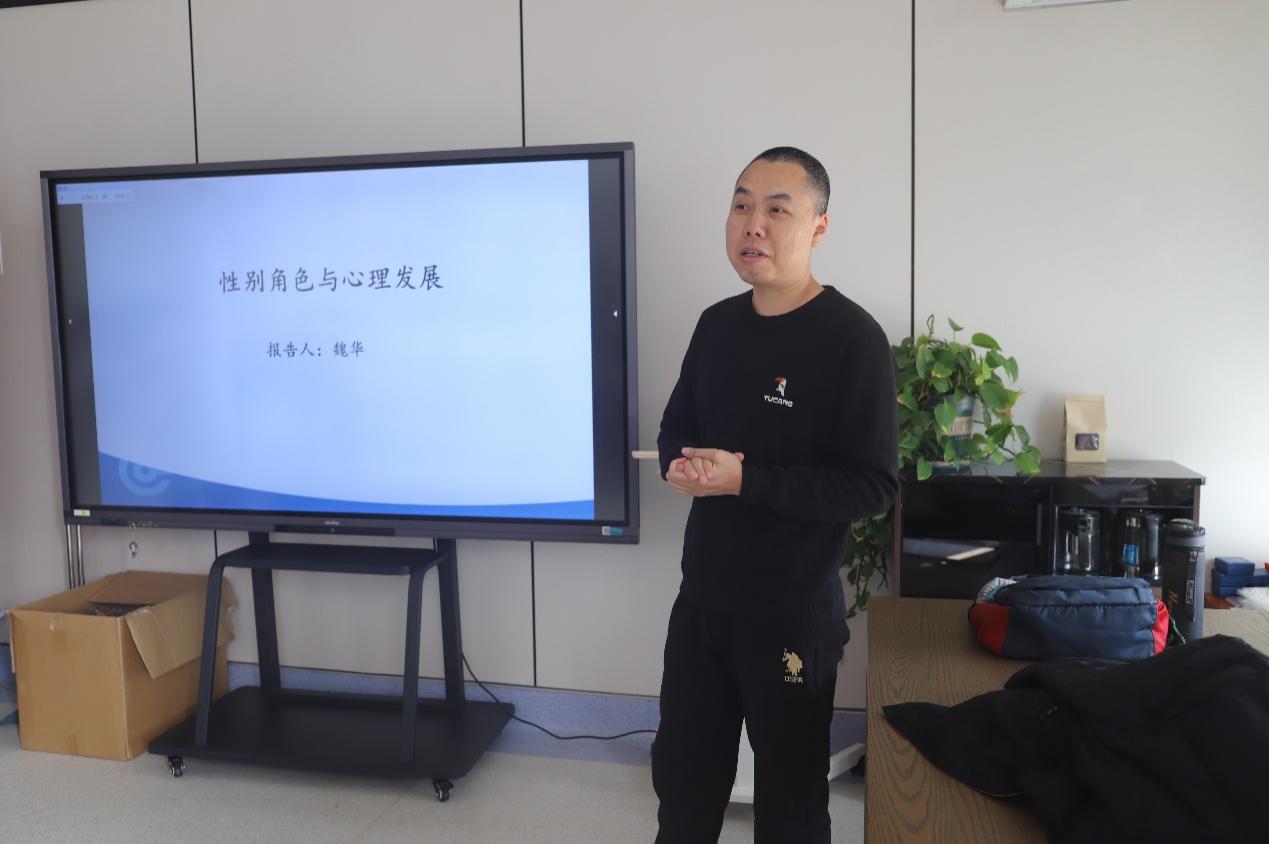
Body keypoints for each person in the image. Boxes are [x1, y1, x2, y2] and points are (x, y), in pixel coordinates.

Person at [652, 147, 899, 843]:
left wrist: (745, 480)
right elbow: (676, 428)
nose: (751, 224)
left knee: (790, 804)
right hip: (702, 604)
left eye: (776, 209)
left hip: (791, 612)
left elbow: (872, 484)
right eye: (740, 205)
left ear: (819, 227)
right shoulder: (716, 324)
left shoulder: (852, 338)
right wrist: (678, 466)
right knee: (683, 785)